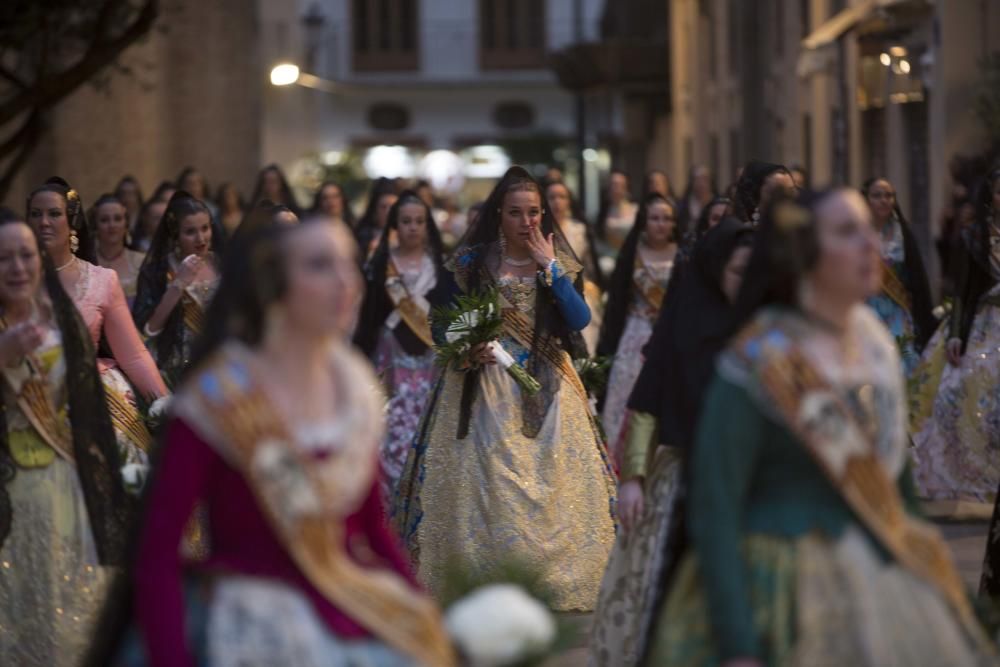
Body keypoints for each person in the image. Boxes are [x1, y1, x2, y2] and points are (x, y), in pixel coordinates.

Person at [644, 190, 996, 666]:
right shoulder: (760, 358)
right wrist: (738, 643)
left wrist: (934, 588)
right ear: (803, 254)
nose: (870, 244)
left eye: (868, 230)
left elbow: (895, 490)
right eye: (847, 233)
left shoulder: (874, 347)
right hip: (777, 591)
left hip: (875, 584)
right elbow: (715, 504)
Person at [123, 216, 453, 666]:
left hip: (349, 614)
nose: (345, 281)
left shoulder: (352, 388)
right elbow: (157, 552)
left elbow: (373, 530)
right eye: (319, 265)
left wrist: (427, 620)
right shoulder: (219, 398)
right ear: (273, 285)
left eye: (349, 264)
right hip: (251, 633)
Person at [394, 167, 616, 612]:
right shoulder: (472, 264)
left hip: (549, 383)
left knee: (550, 480)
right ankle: (488, 576)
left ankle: (548, 579)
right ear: (499, 215)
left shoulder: (558, 263)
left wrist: (548, 267)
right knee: (489, 474)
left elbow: (578, 321)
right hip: (485, 385)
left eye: (534, 212)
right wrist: (463, 348)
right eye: (516, 213)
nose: (526, 222)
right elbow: (441, 325)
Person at [589, 218, 755, 667]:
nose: (750, 281)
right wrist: (634, 477)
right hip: (683, 478)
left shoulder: (770, 329)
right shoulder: (684, 324)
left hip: (754, 483)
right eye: (740, 270)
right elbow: (648, 403)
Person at [0, 213, 131, 666]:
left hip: (65, 483)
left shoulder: (60, 319)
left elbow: (86, 411)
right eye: (4, 259)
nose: (17, 267)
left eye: (25, 255)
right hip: (9, 490)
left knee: (70, 605)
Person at [28, 179, 166, 475]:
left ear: (72, 221)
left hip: (93, 395)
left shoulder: (102, 280)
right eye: (35, 214)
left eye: (54, 214)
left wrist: (166, 406)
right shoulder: (12, 280)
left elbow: (133, 355)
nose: (44, 222)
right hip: (30, 395)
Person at [911, 167, 1000, 522]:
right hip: (983, 326)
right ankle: (967, 485)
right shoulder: (974, 237)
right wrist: (956, 334)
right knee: (959, 395)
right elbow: (962, 290)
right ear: (989, 196)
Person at [354, 192, 446, 501]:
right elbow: (369, 315)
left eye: (419, 221)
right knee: (391, 423)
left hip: (430, 358)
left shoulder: (439, 265)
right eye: (405, 221)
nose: (413, 228)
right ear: (394, 224)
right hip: (391, 355)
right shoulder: (382, 265)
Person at [597, 193, 678, 467]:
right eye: (654, 218)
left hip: (668, 336)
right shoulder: (633, 253)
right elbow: (619, 297)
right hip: (636, 333)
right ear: (644, 221)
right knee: (626, 398)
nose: (660, 224)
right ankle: (617, 464)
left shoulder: (683, 253)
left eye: (667, 219)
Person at [132, 192, 220, 388]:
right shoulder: (156, 271)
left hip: (218, 365)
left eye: (205, 228)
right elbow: (149, 329)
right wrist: (178, 283)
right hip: (176, 368)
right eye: (190, 232)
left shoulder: (221, 264)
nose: (201, 238)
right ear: (175, 236)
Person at [861, 177, 936, 375]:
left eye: (889, 195)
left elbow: (916, 275)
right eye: (877, 195)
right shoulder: (858, 232)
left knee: (902, 360)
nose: (884, 200)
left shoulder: (902, 233)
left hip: (897, 309)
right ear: (866, 199)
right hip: (866, 307)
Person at [545, 180, 604, 355]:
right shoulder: (541, 229)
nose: (557, 201)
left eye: (562, 196)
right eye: (552, 197)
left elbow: (588, 263)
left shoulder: (579, 229)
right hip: (550, 286)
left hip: (578, 286)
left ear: (569, 200)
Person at [90, 194, 147, 305]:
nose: (112, 225)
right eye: (104, 220)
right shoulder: (84, 261)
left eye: (118, 219)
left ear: (126, 224)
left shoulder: (141, 262)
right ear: (95, 226)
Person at [731, 161, 795, 225]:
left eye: (791, 190)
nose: (787, 196)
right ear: (758, 193)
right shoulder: (740, 230)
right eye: (777, 191)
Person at [354, 178, 399, 259]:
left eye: (392, 207)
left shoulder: (407, 233)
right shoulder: (363, 235)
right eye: (383, 207)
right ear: (375, 209)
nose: (388, 212)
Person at [596, 170, 638, 252]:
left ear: (627, 187)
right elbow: (599, 239)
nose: (615, 189)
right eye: (612, 184)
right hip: (608, 255)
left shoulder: (636, 210)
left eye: (619, 185)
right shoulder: (603, 211)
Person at [676, 165, 717, 236]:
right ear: (692, 182)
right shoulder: (683, 205)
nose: (701, 183)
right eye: (697, 179)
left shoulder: (718, 202)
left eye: (704, 179)